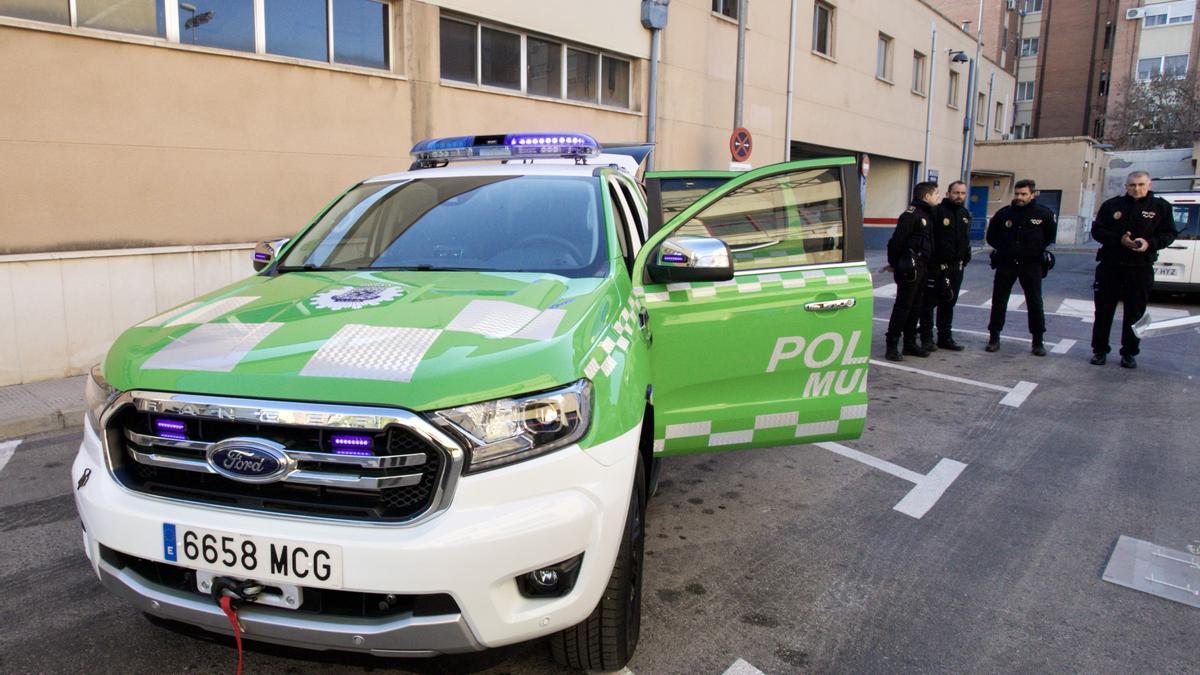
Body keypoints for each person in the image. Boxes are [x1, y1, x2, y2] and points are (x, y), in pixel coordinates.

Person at [1089, 171, 1178, 368]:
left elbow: (1170, 233)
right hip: (1111, 266)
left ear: (1149, 184)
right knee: (1103, 312)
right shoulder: (1112, 205)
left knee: (1135, 314)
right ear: (1126, 186)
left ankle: (1129, 353)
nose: (1136, 189)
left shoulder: (1160, 207)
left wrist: (1149, 243)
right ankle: (1099, 350)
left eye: (1140, 185)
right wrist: (1118, 239)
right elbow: (1097, 230)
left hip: (1140, 267)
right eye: (1132, 185)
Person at [984, 179, 1057, 355]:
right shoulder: (1004, 214)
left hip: (1031, 265)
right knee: (999, 302)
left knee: (1035, 303)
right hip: (1006, 263)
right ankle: (994, 337)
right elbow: (991, 236)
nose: (1019, 197)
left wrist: (1032, 249)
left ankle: (1038, 341)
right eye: (1017, 194)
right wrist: (1006, 248)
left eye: (1023, 194)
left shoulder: (1043, 214)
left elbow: (1049, 236)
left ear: (1032, 195)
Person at [884, 181, 938, 361]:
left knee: (916, 307)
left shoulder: (927, 214)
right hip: (910, 268)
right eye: (935, 194)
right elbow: (896, 243)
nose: (937, 197)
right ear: (927, 196)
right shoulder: (911, 215)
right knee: (903, 307)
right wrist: (895, 263)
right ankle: (891, 345)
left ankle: (909, 343)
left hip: (923, 267)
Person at [918, 180, 973, 352]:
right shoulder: (936, 211)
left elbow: (965, 239)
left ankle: (945, 337)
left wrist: (965, 258)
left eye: (963, 193)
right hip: (937, 267)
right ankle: (927, 339)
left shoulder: (965, 214)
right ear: (948, 193)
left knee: (949, 302)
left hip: (957, 266)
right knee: (928, 304)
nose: (959, 196)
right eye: (956, 193)